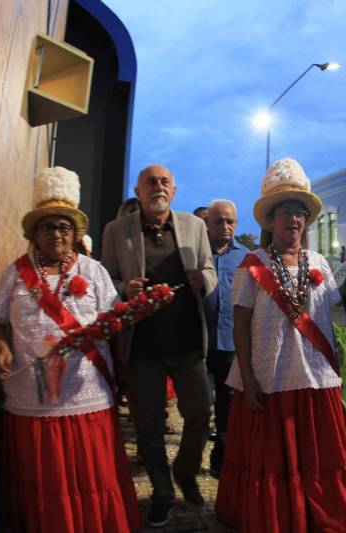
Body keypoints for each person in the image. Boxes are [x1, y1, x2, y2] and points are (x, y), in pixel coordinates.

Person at [215, 158, 346, 532]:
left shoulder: (319, 261)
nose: (293, 219)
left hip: (316, 380)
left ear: (307, 220)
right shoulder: (252, 265)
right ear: (270, 221)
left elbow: (326, 326)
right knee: (273, 462)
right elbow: (240, 327)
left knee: (321, 460)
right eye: (284, 211)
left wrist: (336, 372)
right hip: (269, 380)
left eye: (300, 212)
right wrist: (249, 380)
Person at [0, 167, 141, 533]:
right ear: (34, 233)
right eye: (47, 227)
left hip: (85, 392)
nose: (56, 234)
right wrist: (0, 347)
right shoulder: (16, 273)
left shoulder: (94, 270)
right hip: (32, 396)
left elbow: (114, 322)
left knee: (91, 476)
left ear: (74, 234)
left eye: (63, 227)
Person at [101, 164, 217, 528]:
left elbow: (210, 270)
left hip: (187, 345)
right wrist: (123, 289)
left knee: (200, 412)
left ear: (174, 190)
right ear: (138, 190)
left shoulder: (194, 227)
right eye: (150, 182)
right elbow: (104, 278)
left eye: (165, 181)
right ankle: (163, 493)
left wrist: (204, 280)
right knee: (149, 426)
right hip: (143, 348)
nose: (158, 187)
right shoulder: (116, 230)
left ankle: (184, 472)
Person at [203, 199, 248, 477]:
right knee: (199, 402)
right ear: (208, 223)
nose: (225, 226)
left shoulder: (246, 257)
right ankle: (192, 449)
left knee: (227, 402)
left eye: (230, 221)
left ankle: (221, 457)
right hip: (200, 341)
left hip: (231, 343)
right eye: (219, 221)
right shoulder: (197, 254)